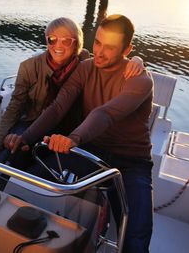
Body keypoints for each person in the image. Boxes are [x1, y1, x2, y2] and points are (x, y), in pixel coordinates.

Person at [9, 14, 154, 253]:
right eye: (97, 42)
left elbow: (105, 114)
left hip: (131, 162)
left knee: (136, 235)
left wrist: (73, 138)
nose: (99, 52)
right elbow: (57, 108)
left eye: (109, 47)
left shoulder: (140, 79)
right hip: (91, 151)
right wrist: (26, 138)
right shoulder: (86, 68)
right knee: (30, 183)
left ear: (127, 49)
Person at [0, 17, 144, 164]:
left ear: (77, 43)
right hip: (35, 121)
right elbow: (16, 107)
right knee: (12, 151)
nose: (58, 46)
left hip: (71, 128)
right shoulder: (29, 67)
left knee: (45, 159)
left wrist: (137, 60)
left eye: (66, 41)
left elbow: (112, 60)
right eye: (52, 39)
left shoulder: (83, 63)